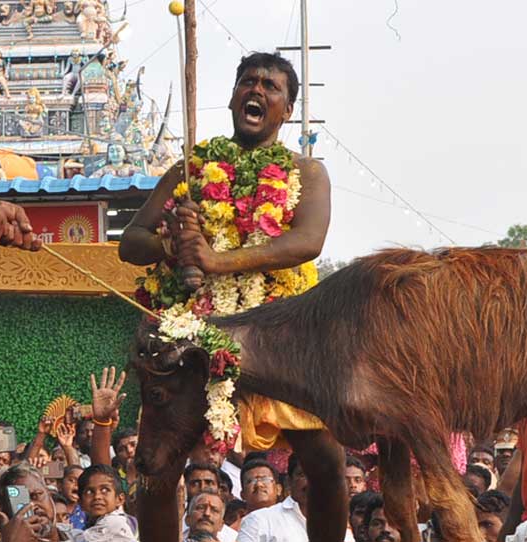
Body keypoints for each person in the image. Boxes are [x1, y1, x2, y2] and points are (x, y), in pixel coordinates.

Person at [120, 52, 344, 542]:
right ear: (232, 96)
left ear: (287, 110)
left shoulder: (308, 172)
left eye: (271, 86)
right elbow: (130, 242)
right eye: (248, 81)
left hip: (278, 330)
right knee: (158, 464)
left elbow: (307, 242)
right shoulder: (191, 169)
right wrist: (173, 246)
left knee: (325, 461)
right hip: (193, 335)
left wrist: (217, 261)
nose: (257, 90)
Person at [74, 464, 137, 541]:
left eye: (105, 490)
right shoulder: (92, 524)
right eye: (89, 492)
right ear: (80, 502)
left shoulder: (114, 523)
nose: (97, 496)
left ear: (120, 499)